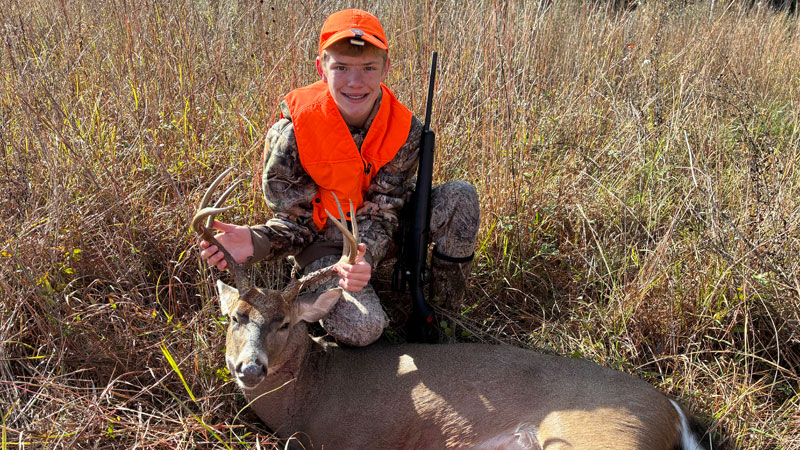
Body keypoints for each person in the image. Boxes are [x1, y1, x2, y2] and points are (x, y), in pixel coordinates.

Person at [200, 9, 479, 346]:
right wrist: (256, 242)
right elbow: (296, 224)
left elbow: (384, 209)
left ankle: (442, 320)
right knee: (363, 328)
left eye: (368, 68)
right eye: (341, 67)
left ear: (385, 69)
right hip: (324, 244)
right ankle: (316, 318)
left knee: (460, 196)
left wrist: (365, 257)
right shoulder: (292, 134)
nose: (355, 82)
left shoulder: (404, 129)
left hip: (380, 232)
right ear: (322, 68)